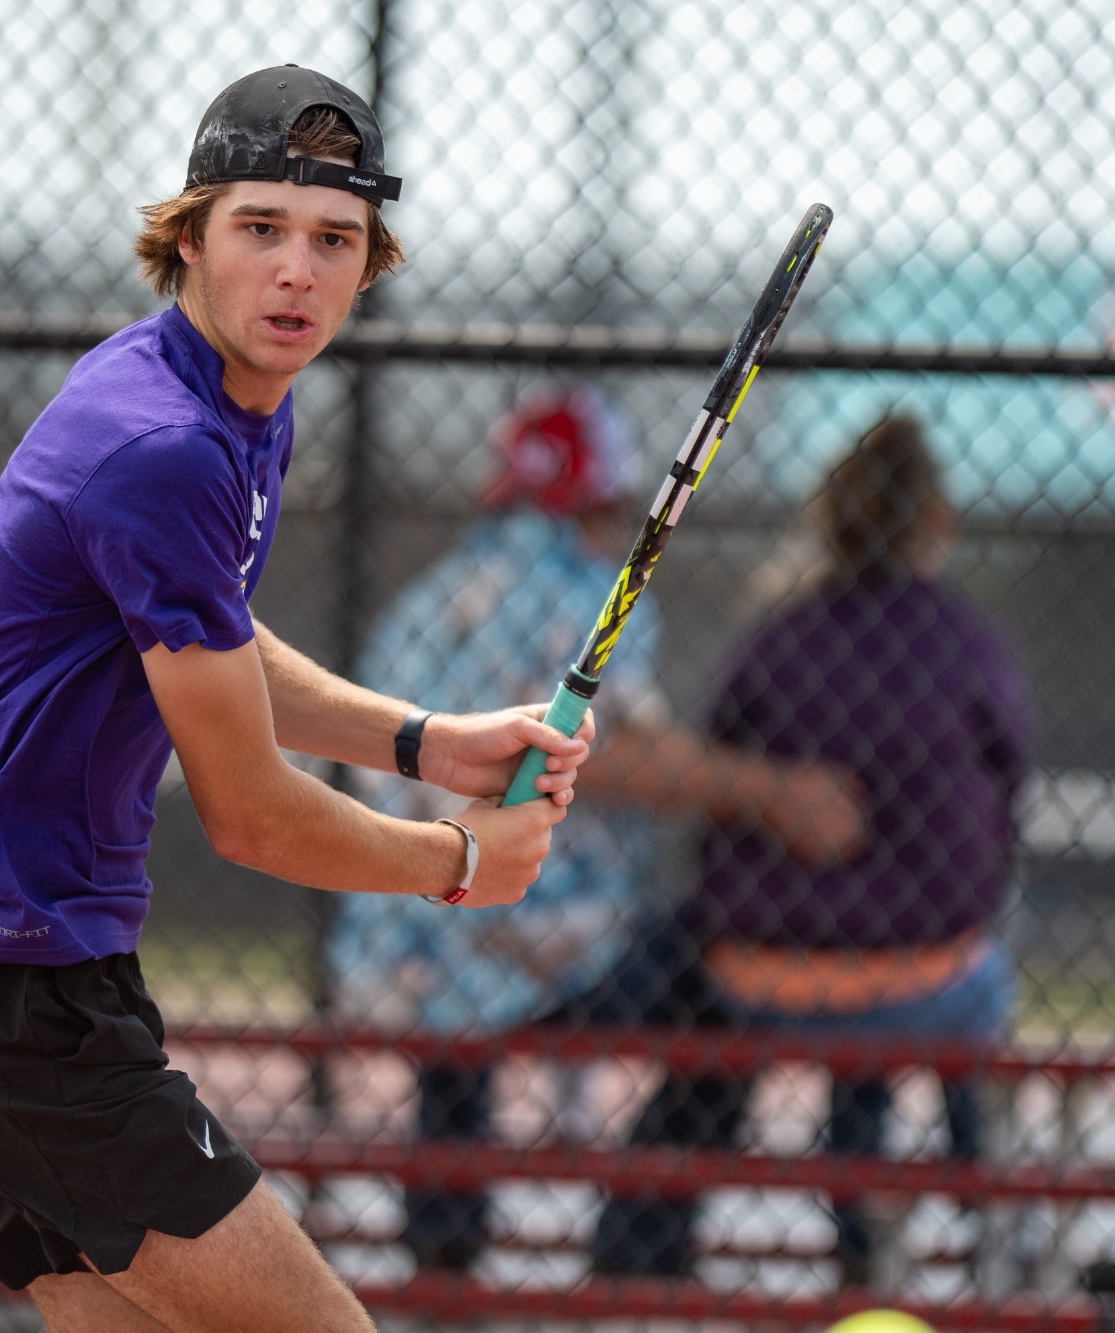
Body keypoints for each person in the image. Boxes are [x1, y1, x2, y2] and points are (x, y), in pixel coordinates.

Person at [0, 67, 596, 1333]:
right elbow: (249, 814)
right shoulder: (164, 446)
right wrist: (462, 862)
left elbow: (211, 639)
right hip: (2, 986)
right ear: (189, 235)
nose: (297, 272)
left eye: (334, 241)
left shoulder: (230, 406)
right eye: (261, 230)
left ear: (368, 266)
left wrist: (424, 741)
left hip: (15, 967)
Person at [325, 384, 869, 1273]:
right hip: (540, 936)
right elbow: (611, 757)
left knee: (460, 984)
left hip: (403, 930)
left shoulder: (434, 594)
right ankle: (637, 1255)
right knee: (723, 996)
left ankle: (443, 1256)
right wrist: (775, 791)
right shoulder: (594, 586)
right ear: (603, 498)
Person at [587, 413, 1033, 1286]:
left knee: (840, 1003)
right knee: (972, 983)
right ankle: (989, 1231)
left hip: (764, 972)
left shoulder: (778, 636)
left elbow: (717, 761)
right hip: (922, 973)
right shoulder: (970, 642)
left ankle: (805, 1251)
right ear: (935, 521)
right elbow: (1010, 792)